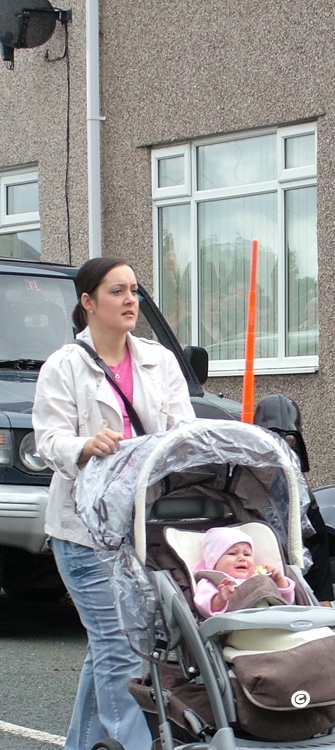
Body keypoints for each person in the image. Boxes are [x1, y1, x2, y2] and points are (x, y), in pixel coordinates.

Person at [33, 256, 195, 750]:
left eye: (134, 291)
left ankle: (83, 744)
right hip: (83, 533)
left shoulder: (158, 360)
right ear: (88, 302)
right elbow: (47, 438)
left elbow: (183, 428)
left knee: (112, 647)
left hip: (143, 528)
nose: (130, 301)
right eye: (117, 291)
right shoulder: (64, 365)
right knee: (121, 648)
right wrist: (83, 445)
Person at [253, 393, 334, 602]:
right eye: (273, 436)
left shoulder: (301, 494)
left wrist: (323, 600)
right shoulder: (244, 484)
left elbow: (317, 547)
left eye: (289, 439)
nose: (281, 446)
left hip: (295, 584)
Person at [192, 527, 295, 618]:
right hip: (239, 624)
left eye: (247, 554)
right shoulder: (211, 581)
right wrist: (220, 599)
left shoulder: (256, 577)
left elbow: (287, 601)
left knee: (263, 582)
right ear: (214, 562)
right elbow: (203, 605)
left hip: (277, 618)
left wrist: (279, 580)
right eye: (232, 553)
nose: (242, 558)